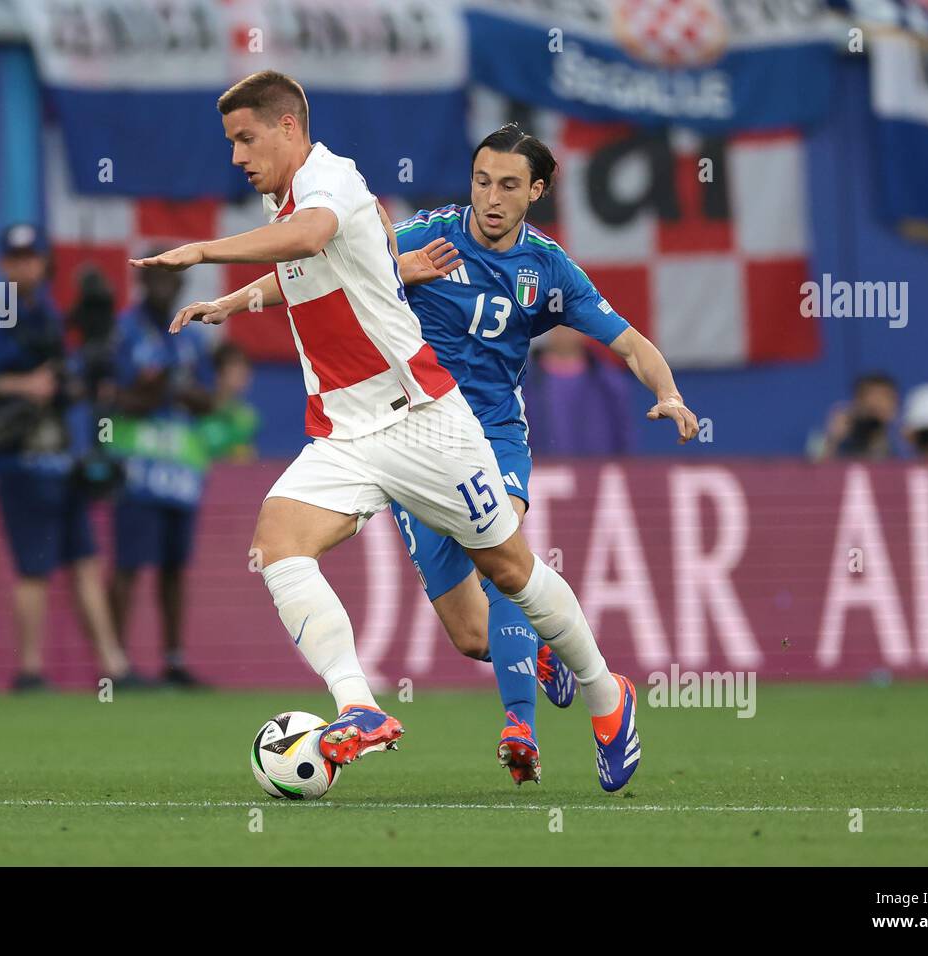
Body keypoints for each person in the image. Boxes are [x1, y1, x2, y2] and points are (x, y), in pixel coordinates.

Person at [134, 72, 697, 792]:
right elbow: (318, 269)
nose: (237, 155)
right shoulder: (406, 227)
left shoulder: (330, 181)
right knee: (281, 545)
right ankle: (360, 709)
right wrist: (233, 303)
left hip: (432, 425)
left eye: (246, 139)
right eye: (481, 181)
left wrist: (201, 251)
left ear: (286, 127)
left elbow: (308, 237)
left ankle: (602, 695)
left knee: (511, 573)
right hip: (347, 429)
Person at [378, 124, 695, 785]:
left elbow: (631, 342)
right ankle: (544, 655)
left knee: (503, 563)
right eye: (482, 181)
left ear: (538, 190)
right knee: (471, 636)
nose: (491, 198)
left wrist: (668, 392)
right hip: (413, 441)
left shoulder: (547, 270)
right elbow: (331, 279)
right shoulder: (422, 241)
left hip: (493, 434)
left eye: (510, 185)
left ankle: (522, 727)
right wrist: (386, 269)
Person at [0, 223, 133, 691]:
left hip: (61, 458)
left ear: (44, 263)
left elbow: (63, 381)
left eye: (32, 257)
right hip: (20, 460)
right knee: (34, 569)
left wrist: (84, 383)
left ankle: (114, 668)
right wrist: (21, 386)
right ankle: (29, 670)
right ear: (1, 263)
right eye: (16, 258)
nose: (25, 265)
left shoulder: (46, 313)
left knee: (85, 561)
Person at [107, 263, 216, 686]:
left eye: (172, 279)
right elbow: (112, 396)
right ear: (142, 282)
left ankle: (173, 660)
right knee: (129, 564)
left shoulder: (192, 337)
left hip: (182, 471)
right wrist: (151, 392)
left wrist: (183, 392)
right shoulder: (124, 331)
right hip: (135, 466)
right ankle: (115, 663)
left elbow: (208, 399)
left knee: (174, 566)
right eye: (157, 277)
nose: (164, 286)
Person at [524, 324, 633, 457]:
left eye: (571, 324)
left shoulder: (609, 381)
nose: (565, 331)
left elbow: (624, 435)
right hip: (540, 474)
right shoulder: (522, 381)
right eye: (556, 324)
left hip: (596, 472)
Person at [811, 372, 900, 461]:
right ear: (857, 402)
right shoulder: (840, 434)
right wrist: (833, 439)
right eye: (870, 397)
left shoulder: (903, 436)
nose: (877, 403)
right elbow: (814, 466)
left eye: (884, 397)